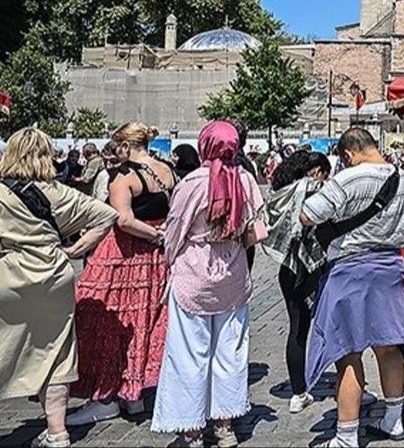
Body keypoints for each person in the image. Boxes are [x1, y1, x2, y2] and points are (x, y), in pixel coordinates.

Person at [0, 128, 121, 448]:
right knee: (56, 354)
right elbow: (108, 215)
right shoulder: (58, 193)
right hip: (54, 275)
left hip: (8, 276)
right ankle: (57, 432)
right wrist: (75, 249)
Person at [300, 128, 404, 447]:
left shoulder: (347, 178)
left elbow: (307, 215)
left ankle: (346, 436)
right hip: (389, 269)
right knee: (389, 346)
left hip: (350, 271)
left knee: (348, 352)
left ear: (348, 154)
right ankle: (393, 422)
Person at [151, 121, 265, 446]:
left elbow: (175, 232)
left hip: (192, 274)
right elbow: (254, 228)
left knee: (189, 353)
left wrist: (170, 262)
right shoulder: (245, 179)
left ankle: (191, 430)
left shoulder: (191, 183)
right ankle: (225, 426)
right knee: (231, 351)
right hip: (233, 272)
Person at [68, 123, 177, 426]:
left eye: (117, 147)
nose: (115, 153)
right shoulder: (166, 170)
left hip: (123, 257)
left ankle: (104, 397)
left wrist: (154, 234)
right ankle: (134, 395)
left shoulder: (124, 176)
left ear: (127, 147)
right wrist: (163, 234)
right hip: (155, 261)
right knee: (143, 320)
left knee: (105, 320)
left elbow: (124, 219)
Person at [260, 150, 332, 413]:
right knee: (330, 326)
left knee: (297, 328)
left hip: (288, 268)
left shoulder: (282, 190)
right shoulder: (315, 189)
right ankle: (345, 381)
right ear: (317, 171)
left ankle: (298, 391)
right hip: (314, 266)